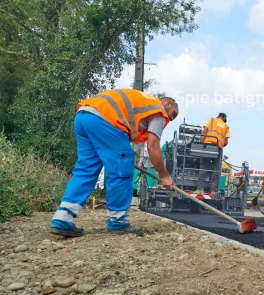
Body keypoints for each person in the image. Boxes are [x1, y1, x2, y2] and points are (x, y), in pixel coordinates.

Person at [49, 88, 179, 237]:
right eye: (173, 114)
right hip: (105, 120)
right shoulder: (158, 110)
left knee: (86, 170)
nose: (171, 118)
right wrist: (164, 176)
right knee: (121, 169)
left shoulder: (143, 102)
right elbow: (153, 146)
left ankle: (63, 218)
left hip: (84, 116)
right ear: (167, 103)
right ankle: (118, 221)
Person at [198, 112, 229, 194]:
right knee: (216, 169)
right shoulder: (226, 126)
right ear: (224, 119)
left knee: (204, 167)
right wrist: (220, 143)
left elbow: (204, 131)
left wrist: (201, 142)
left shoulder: (211, 120)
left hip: (208, 146)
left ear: (218, 116)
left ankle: (200, 189)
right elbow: (226, 142)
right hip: (218, 148)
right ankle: (214, 190)